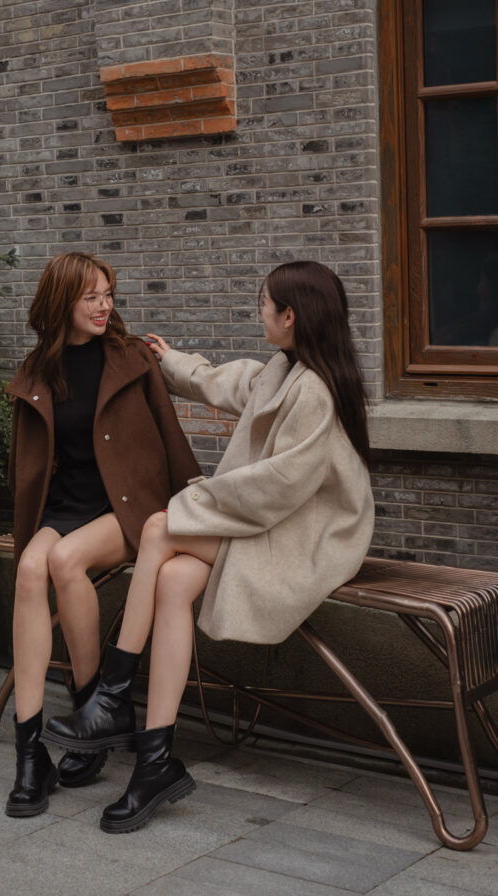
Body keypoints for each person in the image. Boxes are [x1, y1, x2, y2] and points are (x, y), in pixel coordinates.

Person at [42, 260, 375, 833]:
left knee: (157, 528)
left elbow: (275, 488)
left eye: (264, 304)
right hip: (270, 523)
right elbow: (229, 382)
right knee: (173, 579)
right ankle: (154, 760)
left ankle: (113, 697)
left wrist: (191, 501)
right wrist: (170, 359)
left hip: (308, 539)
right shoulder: (286, 369)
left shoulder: (315, 392)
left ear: (290, 317)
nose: (258, 312)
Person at [4, 252, 199, 817]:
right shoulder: (39, 369)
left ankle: (95, 716)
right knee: (29, 570)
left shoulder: (131, 356)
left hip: (128, 505)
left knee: (65, 561)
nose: (103, 306)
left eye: (108, 294)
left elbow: (169, 431)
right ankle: (30, 753)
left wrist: (191, 506)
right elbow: (27, 461)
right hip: (68, 507)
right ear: (61, 301)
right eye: (91, 296)